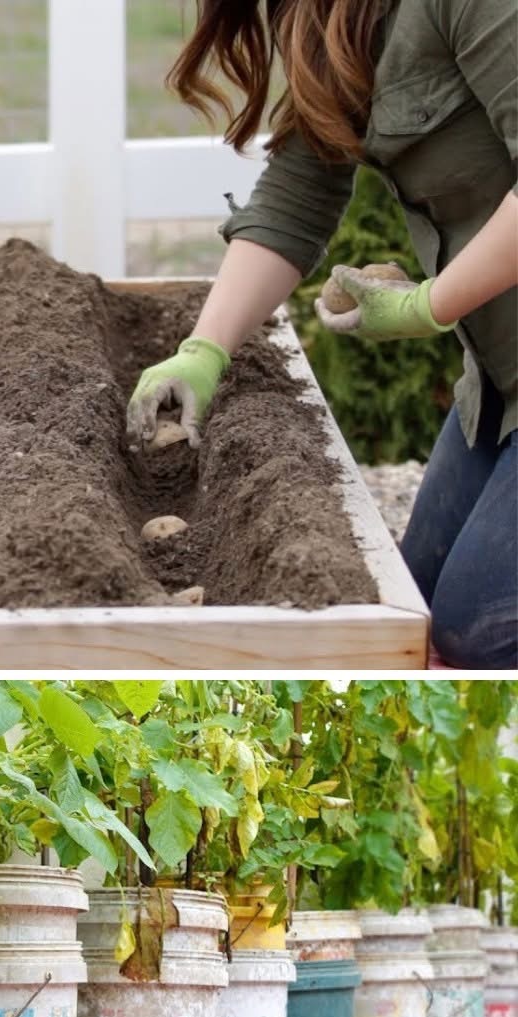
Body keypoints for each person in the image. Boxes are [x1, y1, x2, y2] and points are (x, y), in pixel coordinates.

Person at [127, 0, 517, 669]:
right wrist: (203, 352)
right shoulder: (330, 14)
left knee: (477, 638)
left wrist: (428, 304)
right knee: (406, 602)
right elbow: (301, 193)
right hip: (500, 383)